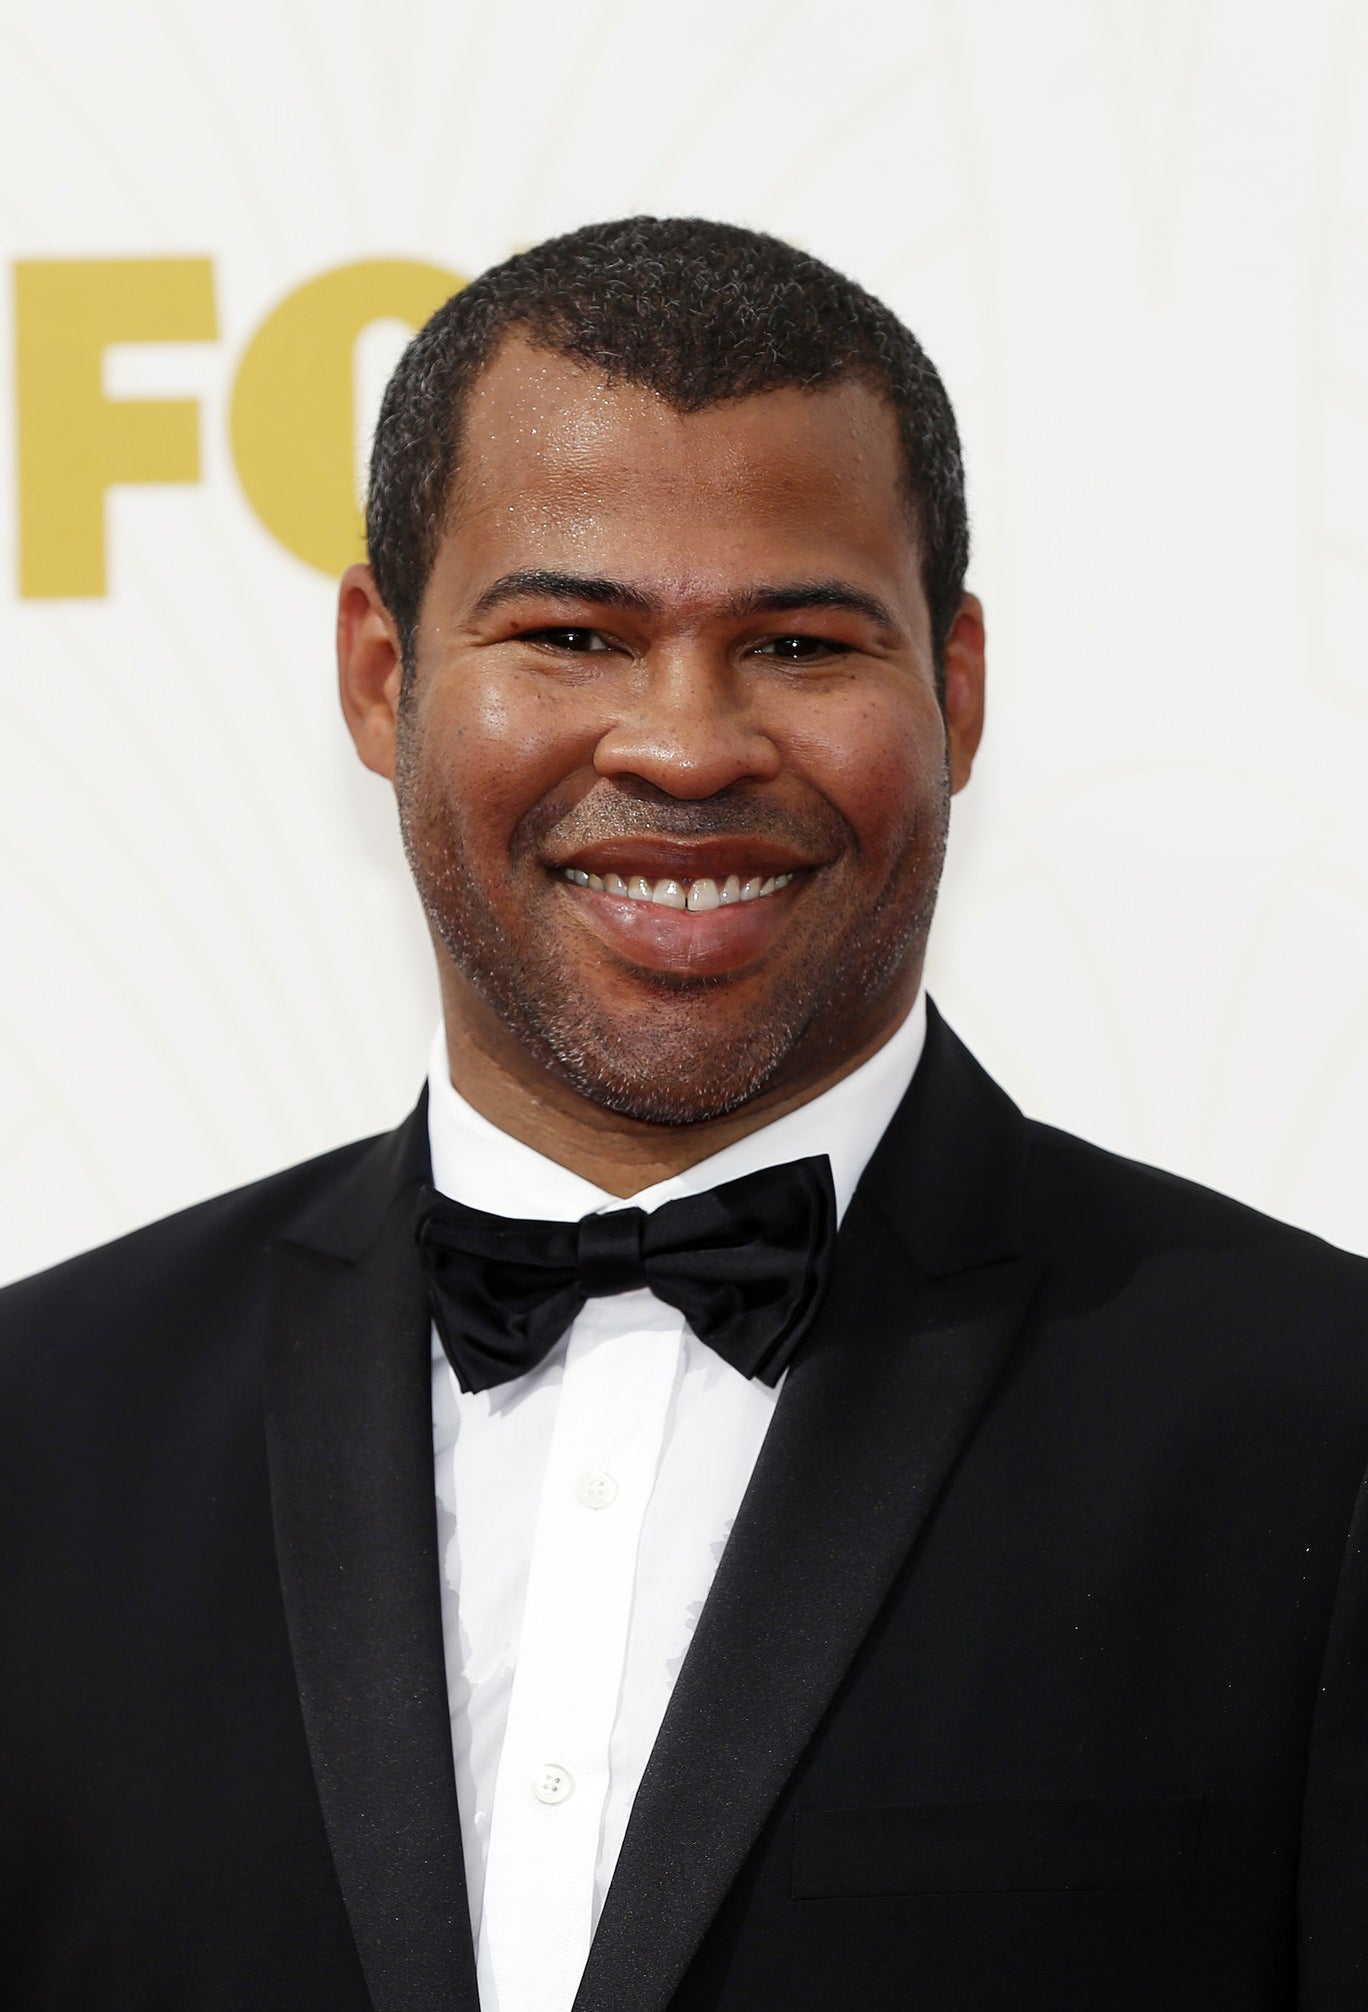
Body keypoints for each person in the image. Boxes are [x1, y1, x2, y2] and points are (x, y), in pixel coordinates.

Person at [1, 215, 1365, 2012]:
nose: (687, 745)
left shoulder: (1319, 1428)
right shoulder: (42, 1435)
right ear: (382, 675)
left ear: (955, 689)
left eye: (799, 644)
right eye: (572, 632)